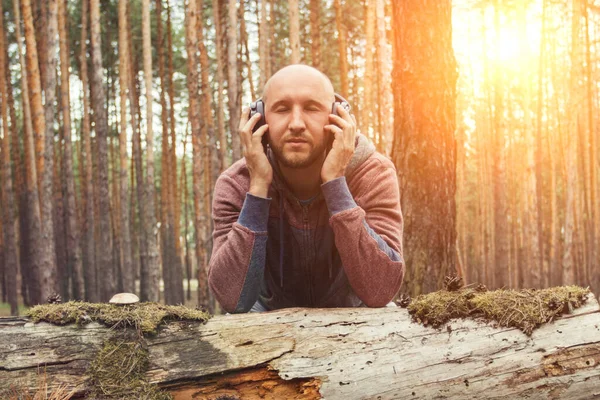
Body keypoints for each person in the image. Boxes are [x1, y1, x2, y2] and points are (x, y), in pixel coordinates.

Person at [208, 64, 404, 313]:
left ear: (337, 116)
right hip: (267, 324)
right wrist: (258, 187)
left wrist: (335, 183)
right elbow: (232, 299)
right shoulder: (236, 183)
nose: (297, 123)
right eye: (282, 109)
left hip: (354, 321)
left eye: (312, 108)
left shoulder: (371, 173)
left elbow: (381, 289)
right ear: (260, 118)